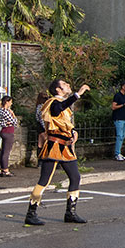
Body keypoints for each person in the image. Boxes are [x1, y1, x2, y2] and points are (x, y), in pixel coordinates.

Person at [24, 79, 90, 226]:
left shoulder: (64, 106)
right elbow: (56, 110)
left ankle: (70, 213)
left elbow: (65, 123)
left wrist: (73, 132)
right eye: (65, 84)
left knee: (75, 177)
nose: (68, 85)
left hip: (65, 147)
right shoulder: (52, 102)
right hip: (54, 146)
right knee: (45, 180)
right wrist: (77, 95)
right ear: (58, 90)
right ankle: (31, 213)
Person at [0, 96, 18, 177]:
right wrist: (13, 115)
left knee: (3, 150)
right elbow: (14, 121)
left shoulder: (0, 111)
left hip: (3, 131)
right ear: (7, 102)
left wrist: (9, 122)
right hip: (8, 132)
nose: (11, 103)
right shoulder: (6, 111)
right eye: (10, 102)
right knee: (6, 151)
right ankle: (5, 169)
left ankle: (3, 168)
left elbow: (2, 122)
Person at [35, 92, 48, 162]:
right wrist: (45, 128)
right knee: (45, 143)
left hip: (39, 125)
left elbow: (37, 117)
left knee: (40, 143)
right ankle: (43, 159)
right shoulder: (43, 106)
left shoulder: (38, 106)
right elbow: (42, 118)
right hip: (43, 126)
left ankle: (39, 160)